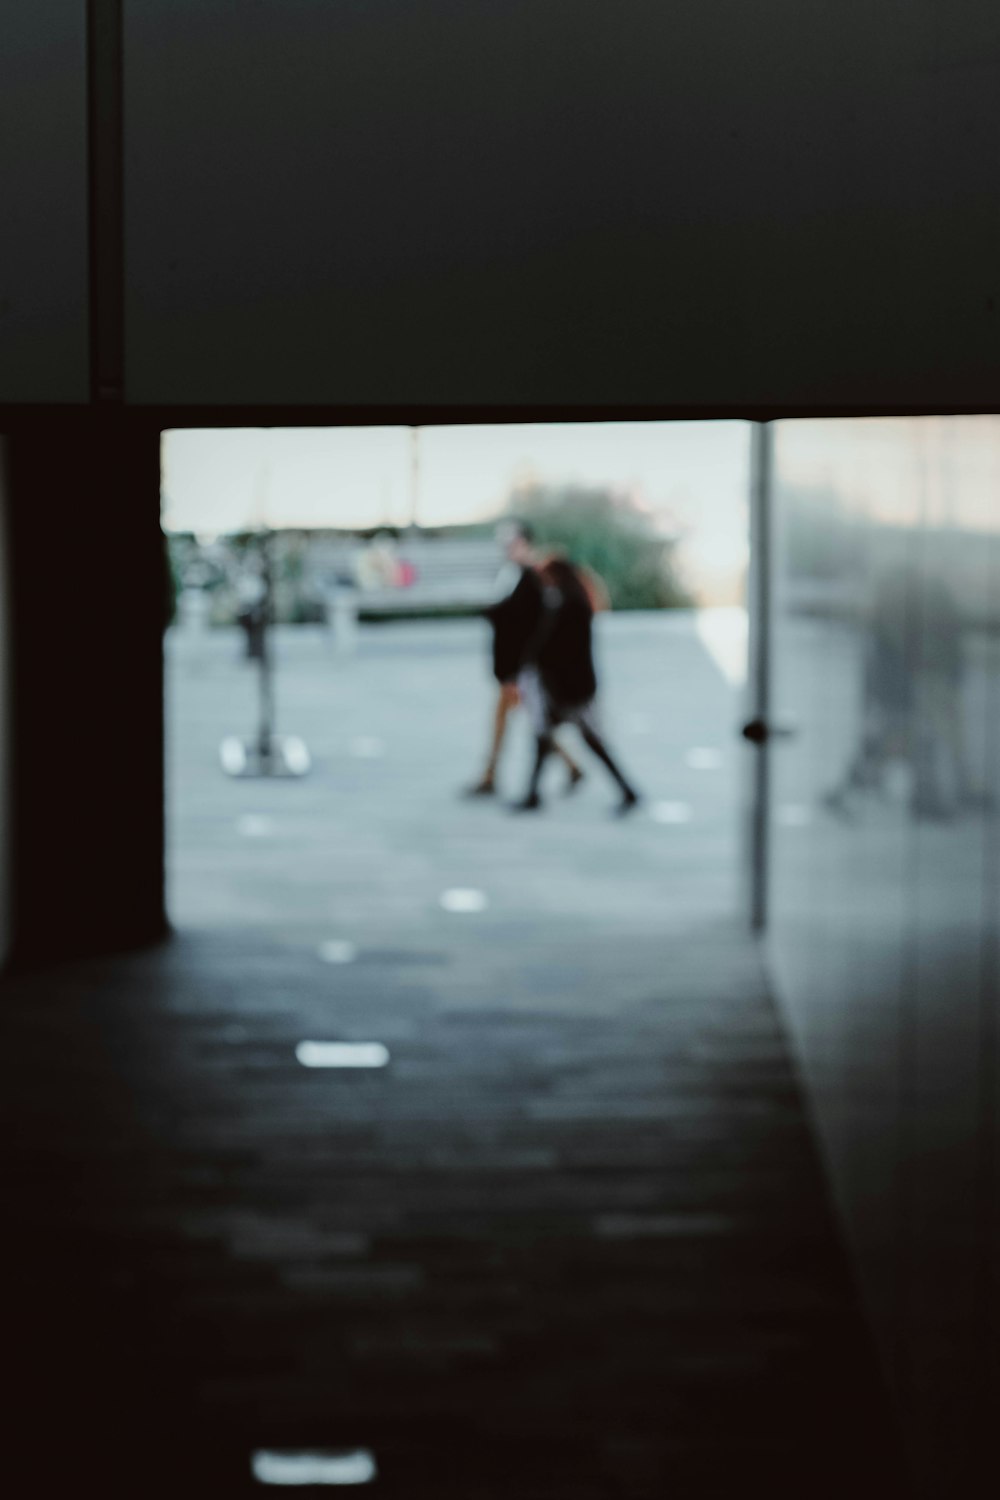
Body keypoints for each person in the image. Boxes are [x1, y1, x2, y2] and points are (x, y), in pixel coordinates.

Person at [464, 519, 584, 797]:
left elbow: (528, 631)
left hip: (520, 670)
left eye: (511, 542)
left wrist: (519, 672)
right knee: (524, 721)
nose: (506, 548)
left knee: (527, 723)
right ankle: (570, 767)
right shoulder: (516, 575)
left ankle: (492, 776)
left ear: (525, 543)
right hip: (515, 669)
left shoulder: (532, 579)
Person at [513, 554, 641, 815]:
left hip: (570, 688)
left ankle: (628, 791)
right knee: (548, 738)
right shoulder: (572, 600)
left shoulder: (568, 604)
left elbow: (553, 646)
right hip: (571, 686)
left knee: (578, 740)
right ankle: (533, 794)